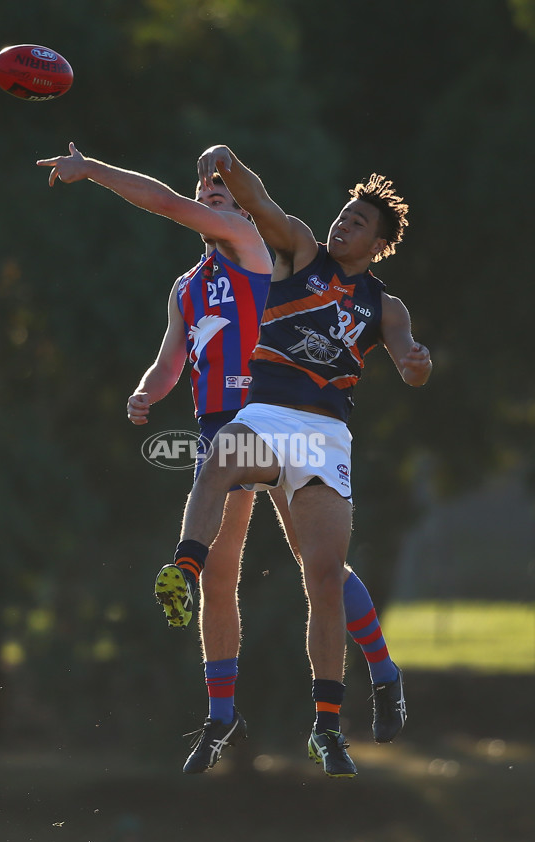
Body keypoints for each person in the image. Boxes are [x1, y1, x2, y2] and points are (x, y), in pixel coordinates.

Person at [36, 145, 406, 777]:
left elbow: (168, 203)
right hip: (231, 426)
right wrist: (148, 390)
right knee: (220, 574)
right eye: (206, 195)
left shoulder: (247, 243)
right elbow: (174, 359)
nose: (210, 202)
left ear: (238, 210)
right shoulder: (187, 287)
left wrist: (93, 169)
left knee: (321, 566)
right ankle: (221, 716)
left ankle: (378, 666)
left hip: (284, 414)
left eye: (220, 197)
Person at [154, 145, 432, 778]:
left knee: (325, 576)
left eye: (358, 223)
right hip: (267, 414)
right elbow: (259, 201)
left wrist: (419, 365)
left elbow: (410, 358)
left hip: (325, 436)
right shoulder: (301, 252)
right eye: (342, 216)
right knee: (220, 458)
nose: (342, 226)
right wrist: (229, 163)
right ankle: (184, 571)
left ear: (379, 242)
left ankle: (328, 728)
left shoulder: (384, 306)